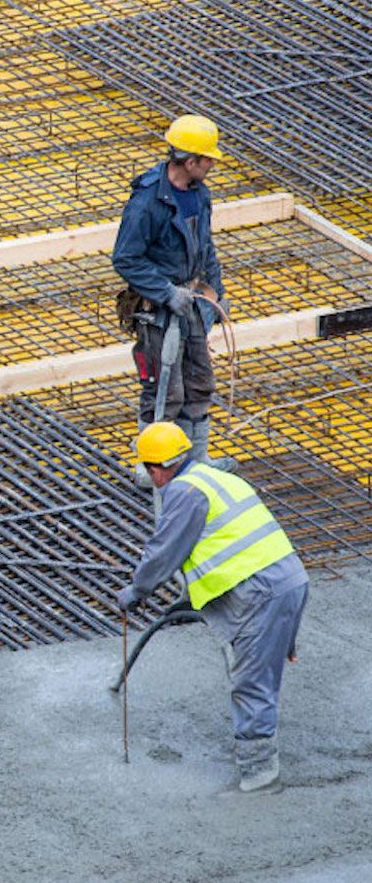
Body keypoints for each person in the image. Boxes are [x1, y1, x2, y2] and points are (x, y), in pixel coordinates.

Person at [117, 421, 308, 793]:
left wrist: (136, 591)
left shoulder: (185, 492)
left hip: (261, 592)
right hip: (289, 580)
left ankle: (259, 773)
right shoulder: (216, 478)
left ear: (157, 468)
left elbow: (164, 552)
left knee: (250, 682)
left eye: (148, 469)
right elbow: (227, 542)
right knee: (256, 671)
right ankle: (258, 753)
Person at [113, 114, 232, 481]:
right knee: (163, 389)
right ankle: (151, 467)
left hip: (192, 302)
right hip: (159, 311)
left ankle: (197, 461)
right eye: (207, 159)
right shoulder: (148, 202)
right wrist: (165, 293)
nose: (212, 164)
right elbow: (126, 258)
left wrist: (216, 293)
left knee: (199, 381)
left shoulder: (199, 193)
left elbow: (205, 245)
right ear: (188, 159)